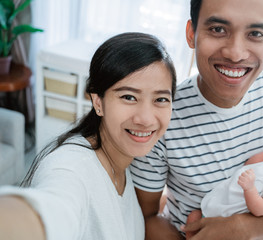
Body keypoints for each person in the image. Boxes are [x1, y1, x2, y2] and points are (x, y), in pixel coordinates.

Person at [130, 0, 263, 239]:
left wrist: (243, 228)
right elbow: (146, 217)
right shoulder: (160, 115)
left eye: (255, 33)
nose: (235, 53)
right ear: (191, 33)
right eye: (217, 29)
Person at [0, 32, 177, 240]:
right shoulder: (71, 167)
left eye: (161, 99)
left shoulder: (124, 160)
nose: (146, 119)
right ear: (98, 102)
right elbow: (53, 209)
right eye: (129, 97)